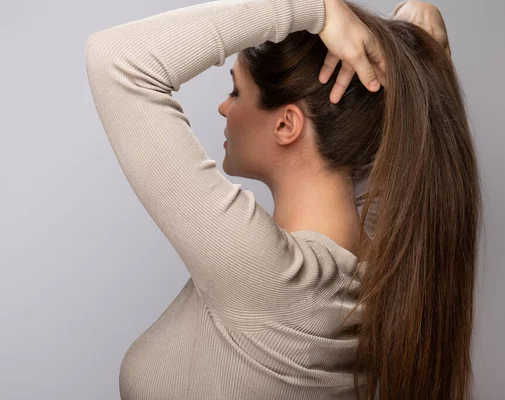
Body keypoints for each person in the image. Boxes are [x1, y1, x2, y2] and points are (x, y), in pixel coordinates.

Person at [85, 0, 480, 398]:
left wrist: (316, 8)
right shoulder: (384, 268)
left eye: (236, 91)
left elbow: (117, 61)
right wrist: (415, 43)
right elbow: (405, 120)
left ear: (287, 124)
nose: (224, 107)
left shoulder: (267, 275)